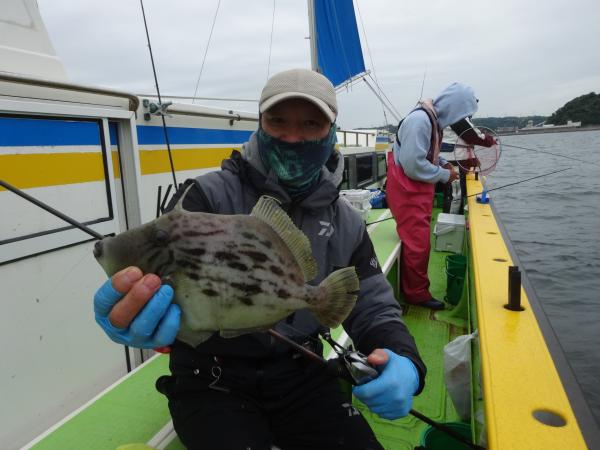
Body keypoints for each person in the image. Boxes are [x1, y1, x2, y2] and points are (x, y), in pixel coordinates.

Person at [93, 68, 426, 450]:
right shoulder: (205, 195)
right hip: (209, 378)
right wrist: (128, 309)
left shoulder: (346, 221)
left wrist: (404, 360)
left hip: (302, 370)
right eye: (278, 121)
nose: (292, 136)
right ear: (260, 123)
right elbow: (163, 261)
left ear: (332, 131)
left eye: (311, 124)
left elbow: (372, 306)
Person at [386, 82, 494, 310]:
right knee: (418, 245)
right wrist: (445, 175)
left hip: (415, 191)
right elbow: (413, 165)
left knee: (418, 241)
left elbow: (426, 154)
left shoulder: (432, 121)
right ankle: (415, 294)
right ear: (454, 109)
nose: (462, 120)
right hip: (407, 191)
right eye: (463, 114)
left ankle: (413, 287)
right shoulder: (420, 121)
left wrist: (443, 163)